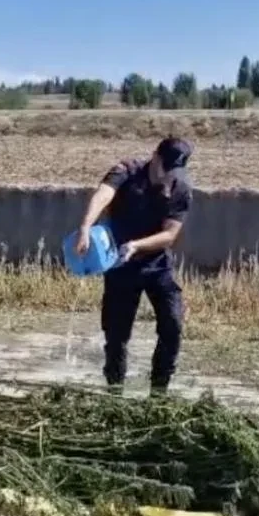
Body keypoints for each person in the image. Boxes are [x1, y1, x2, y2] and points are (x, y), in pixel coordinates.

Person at [73, 137, 194, 396]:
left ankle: (158, 395)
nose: (171, 175)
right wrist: (85, 227)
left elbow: (169, 235)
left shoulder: (181, 188)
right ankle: (114, 394)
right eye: (168, 167)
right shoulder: (126, 171)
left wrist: (137, 246)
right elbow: (103, 195)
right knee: (116, 336)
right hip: (119, 264)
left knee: (173, 326)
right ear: (156, 157)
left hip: (157, 265)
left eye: (176, 169)